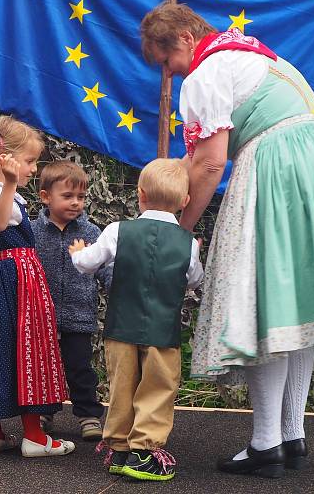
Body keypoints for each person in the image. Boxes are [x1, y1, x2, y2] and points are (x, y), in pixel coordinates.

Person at [140, 3, 314, 478]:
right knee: (295, 304)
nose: (170, 74)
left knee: (261, 304)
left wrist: (181, 230)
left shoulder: (207, 72)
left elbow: (208, 163)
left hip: (284, 167)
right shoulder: (258, 56)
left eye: (165, 62)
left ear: (183, 38)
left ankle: (266, 443)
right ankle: (290, 434)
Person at [69, 158, 203, 482]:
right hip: (162, 330)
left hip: (121, 327)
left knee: (122, 385)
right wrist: (191, 254)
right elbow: (195, 279)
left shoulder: (118, 231)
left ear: (140, 195)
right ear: (185, 202)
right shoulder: (187, 243)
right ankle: (145, 451)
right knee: (157, 388)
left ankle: (118, 447)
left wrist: (77, 253)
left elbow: (88, 264)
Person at [0, 116, 75, 458]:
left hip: (9, 278)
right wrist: (9, 183)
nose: (32, 168)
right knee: (27, 346)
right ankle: (34, 436)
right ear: (2, 157)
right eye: (28, 161)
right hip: (14, 280)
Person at [32, 160, 108, 441]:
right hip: (41, 316)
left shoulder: (91, 234)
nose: (76, 203)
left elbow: (104, 270)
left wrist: (120, 286)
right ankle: (43, 412)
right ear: (45, 197)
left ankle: (88, 415)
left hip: (79, 315)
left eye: (81, 197)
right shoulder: (31, 232)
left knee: (80, 368)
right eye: (67, 196)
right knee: (43, 369)